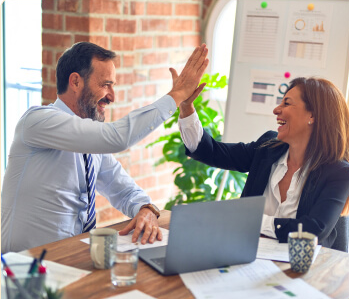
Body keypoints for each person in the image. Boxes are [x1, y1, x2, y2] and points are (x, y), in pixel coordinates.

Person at [1, 41, 209, 253]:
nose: (112, 97)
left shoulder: (89, 144)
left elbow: (124, 189)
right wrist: (177, 95)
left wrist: (146, 209)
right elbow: (117, 138)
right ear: (75, 82)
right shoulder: (38, 121)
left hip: (70, 259)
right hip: (23, 267)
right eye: (105, 85)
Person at [178, 77, 349, 248]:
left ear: (313, 115)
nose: (276, 110)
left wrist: (252, 220)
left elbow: (313, 231)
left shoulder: (339, 173)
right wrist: (186, 107)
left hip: (304, 270)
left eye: (286, 103)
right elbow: (212, 152)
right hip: (249, 257)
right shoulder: (267, 148)